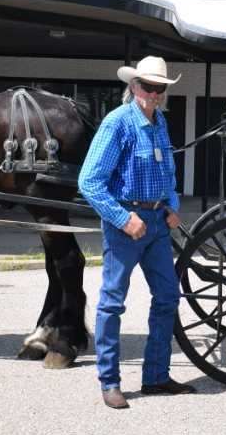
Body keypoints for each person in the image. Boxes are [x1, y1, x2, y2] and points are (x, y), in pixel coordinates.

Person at [78, 56, 196, 410]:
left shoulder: (160, 124)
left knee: (167, 298)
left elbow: (168, 174)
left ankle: (156, 376)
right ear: (133, 86)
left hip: (157, 223)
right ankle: (110, 382)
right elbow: (90, 182)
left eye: (159, 88)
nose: (153, 94)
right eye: (147, 86)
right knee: (113, 303)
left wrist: (172, 205)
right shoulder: (118, 123)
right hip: (125, 227)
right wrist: (122, 217)